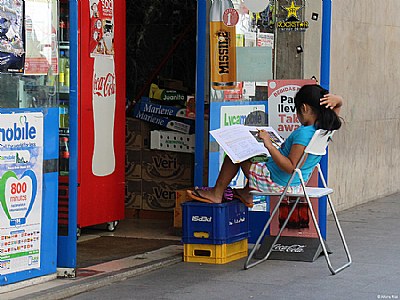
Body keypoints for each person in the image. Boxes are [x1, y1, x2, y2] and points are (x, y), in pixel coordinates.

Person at [188, 84, 344, 207]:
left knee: (235, 155)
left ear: (304, 108)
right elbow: (337, 106)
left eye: (297, 111)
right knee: (258, 157)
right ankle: (246, 192)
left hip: (278, 183)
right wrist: (337, 99)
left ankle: (216, 193)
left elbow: (290, 166)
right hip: (295, 183)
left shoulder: (304, 134)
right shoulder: (326, 129)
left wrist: (269, 144)